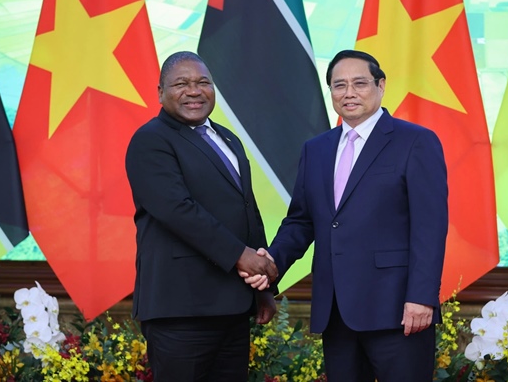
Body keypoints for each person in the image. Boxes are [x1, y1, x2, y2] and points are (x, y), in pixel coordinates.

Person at [243, 49, 448, 381]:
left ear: (380, 86)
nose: (349, 93)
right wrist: (273, 262)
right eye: (339, 85)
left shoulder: (416, 142)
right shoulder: (316, 149)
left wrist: (422, 298)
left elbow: (430, 226)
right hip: (336, 311)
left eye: (359, 83)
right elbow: (302, 220)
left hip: (397, 309)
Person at [125, 51, 278, 381]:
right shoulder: (150, 140)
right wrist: (241, 256)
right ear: (160, 92)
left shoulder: (227, 139)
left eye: (202, 82)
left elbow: (246, 210)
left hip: (233, 309)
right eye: (181, 83)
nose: (193, 91)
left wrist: (262, 285)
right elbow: (177, 210)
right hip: (181, 310)